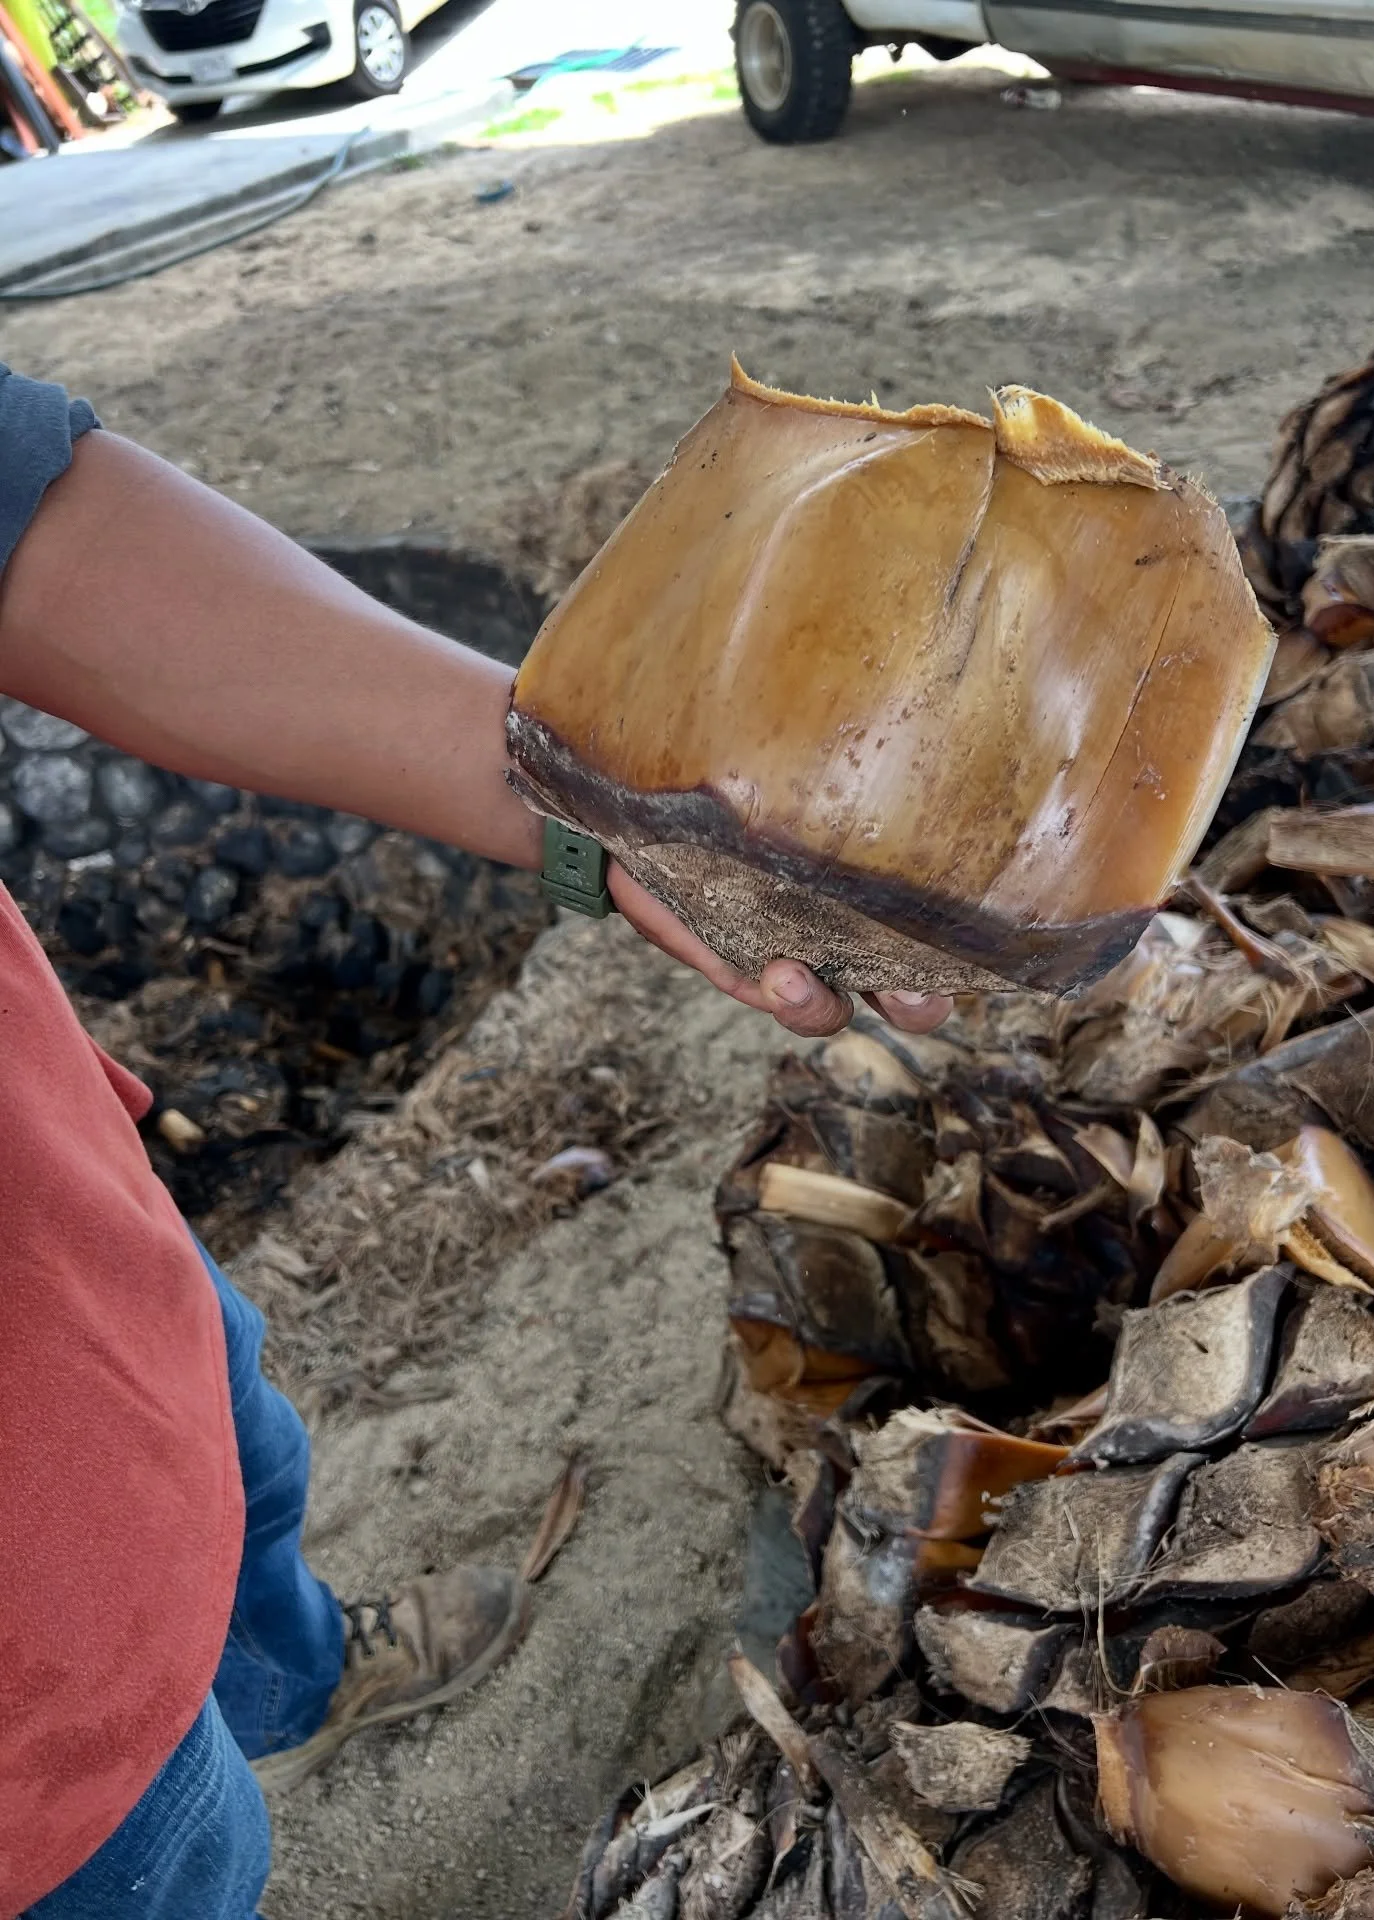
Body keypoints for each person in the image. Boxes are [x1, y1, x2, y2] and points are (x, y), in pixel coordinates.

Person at [0, 363, 952, 1919]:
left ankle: (301, 1678)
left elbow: (25, 521)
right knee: (157, 1848)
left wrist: (582, 799)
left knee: (224, 1424)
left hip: (44, 1178)